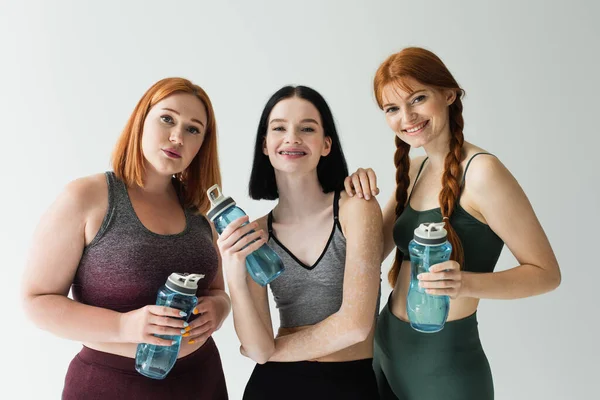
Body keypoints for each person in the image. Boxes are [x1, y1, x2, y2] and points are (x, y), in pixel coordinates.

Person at [344, 47, 561, 400]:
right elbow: (367, 252)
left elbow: (547, 273)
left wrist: (464, 284)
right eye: (392, 109)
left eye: (417, 98)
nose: (407, 116)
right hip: (385, 348)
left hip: (445, 368)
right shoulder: (413, 170)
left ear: (448, 94)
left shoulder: (483, 173)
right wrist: (354, 198)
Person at [21, 78, 230, 399]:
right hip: (111, 385)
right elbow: (36, 302)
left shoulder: (199, 207)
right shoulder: (87, 197)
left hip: (202, 381)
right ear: (140, 120)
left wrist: (218, 307)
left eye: (193, 129)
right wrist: (124, 326)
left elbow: (217, 291)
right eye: (167, 119)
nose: (177, 136)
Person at [216, 85, 383, 400]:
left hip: (349, 385)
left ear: (326, 144)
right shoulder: (257, 233)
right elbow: (255, 342)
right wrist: (234, 271)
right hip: (273, 388)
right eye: (279, 128)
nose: (292, 137)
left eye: (307, 128)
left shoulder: (356, 208)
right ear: (265, 145)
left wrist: (268, 352)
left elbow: (356, 327)